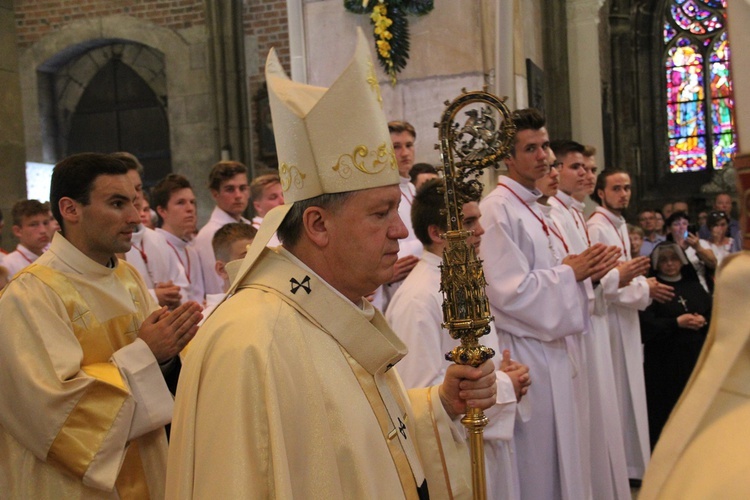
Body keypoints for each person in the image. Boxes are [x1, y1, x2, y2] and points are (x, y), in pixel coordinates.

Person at [166, 30, 497, 499]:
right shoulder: (248, 343)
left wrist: (440, 405)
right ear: (318, 225)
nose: (401, 232)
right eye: (381, 213)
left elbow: (362, 439)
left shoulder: (336, 310)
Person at [0, 152, 202, 498]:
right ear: (70, 209)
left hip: (149, 469)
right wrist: (147, 355)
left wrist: (170, 357)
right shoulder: (30, 296)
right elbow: (54, 414)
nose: (136, 218)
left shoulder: (128, 278)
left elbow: (165, 365)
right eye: (117, 203)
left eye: (135, 202)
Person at [480, 109, 615, 500]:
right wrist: (569, 274)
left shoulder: (537, 207)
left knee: (568, 456)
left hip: (555, 344)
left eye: (544, 146)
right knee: (539, 462)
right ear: (508, 157)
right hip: (527, 349)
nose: (543, 156)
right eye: (531, 148)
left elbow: (555, 271)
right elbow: (508, 292)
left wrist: (583, 274)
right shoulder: (498, 209)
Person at [387, 178, 530, 500]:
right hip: (456, 458)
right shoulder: (419, 297)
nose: (480, 230)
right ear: (437, 233)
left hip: (481, 443)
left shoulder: (456, 280)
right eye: (469, 222)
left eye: (478, 219)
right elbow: (418, 398)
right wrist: (507, 384)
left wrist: (504, 374)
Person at [587, 169, 674, 482]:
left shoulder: (618, 224)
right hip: (609, 323)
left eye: (627, 188)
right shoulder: (597, 228)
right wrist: (644, 288)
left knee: (629, 392)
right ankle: (622, 468)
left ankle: (631, 466)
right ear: (601, 193)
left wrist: (642, 283)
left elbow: (622, 275)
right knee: (619, 394)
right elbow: (605, 285)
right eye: (616, 188)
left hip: (625, 322)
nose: (624, 193)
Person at [639, 242, 711, 447]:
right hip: (664, 362)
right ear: (656, 263)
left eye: (674, 259)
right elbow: (645, 325)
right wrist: (676, 323)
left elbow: (711, 312)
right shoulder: (652, 289)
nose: (670, 264)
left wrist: (703, 321)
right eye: (663, 260)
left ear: (682, 261)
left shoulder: (693, 284)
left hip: (694, 357)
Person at [115, 153, 190, 309]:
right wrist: (155, 296)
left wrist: (174, 294)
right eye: (127, 189)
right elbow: (113, 296)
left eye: (138, 188)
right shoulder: (110, 243)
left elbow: (181, 283)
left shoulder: (157, 239)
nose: (135, 196)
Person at [372, 120, 423, 311]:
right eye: (396, 147)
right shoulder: (377, 194)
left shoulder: (412, 189)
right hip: (393, 290)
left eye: (409, 145)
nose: (405, 153)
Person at [192, 160, 252, 295]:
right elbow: (217, 284)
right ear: (215, 194)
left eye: (242, 188)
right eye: (230, 189)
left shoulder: (248, 226)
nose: (238, 195)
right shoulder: (210, 234)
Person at [152, 173, 206, 304]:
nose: (190, 209)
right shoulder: (154, 245)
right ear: (162, 211)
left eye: (192, 202)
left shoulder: (191, 249)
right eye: (181, 203)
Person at [201, 221, 257, 319]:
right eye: (247, 258)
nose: (257, 264)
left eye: (261, 256)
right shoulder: (209, 319)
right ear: (222, 270)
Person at [665, 211, 715, 292]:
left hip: (700, 288)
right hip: (676, 289)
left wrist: (698, 248)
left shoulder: (701, 243)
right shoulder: (666, 247)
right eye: (676, 224)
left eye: (684, 223)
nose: (681, 227)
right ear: (669, 229)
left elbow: (713, 263)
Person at [2, 199, 50, 278]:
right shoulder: (8, 265)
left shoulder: (53, 256)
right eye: (34, 225)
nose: (43, 230)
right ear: (18, 231)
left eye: (45, 223)